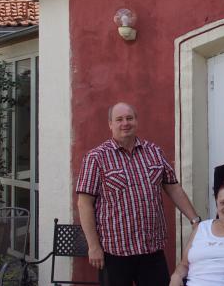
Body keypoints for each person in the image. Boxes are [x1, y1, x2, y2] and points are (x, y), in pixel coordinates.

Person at [76, 102, 203, 286]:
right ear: (110, 124)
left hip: (151, 250)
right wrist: (93, 246)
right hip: (114, 253)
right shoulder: (96, 157)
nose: (125, 123)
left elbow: (173, 187)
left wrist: (195, 220)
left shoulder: (154, 152)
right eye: (119, 119)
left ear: (136, 121)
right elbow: (84, 203)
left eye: (129, 118)